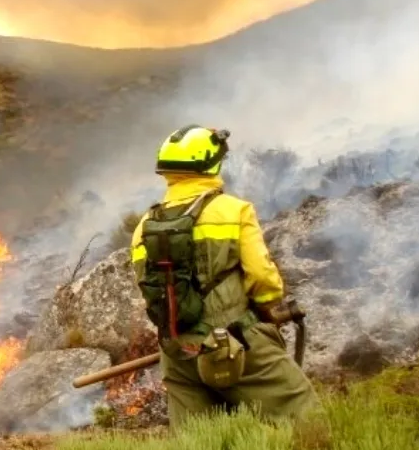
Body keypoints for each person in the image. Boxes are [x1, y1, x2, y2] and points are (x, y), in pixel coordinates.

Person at [129, 124, 317, 427]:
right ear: (211, 165)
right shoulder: (234, 211)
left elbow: (149, 289)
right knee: (305, 420)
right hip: (237, 342)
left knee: (199, 443)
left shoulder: (143, 227)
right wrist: (267, 310)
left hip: (178, 356)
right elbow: (263, 279)